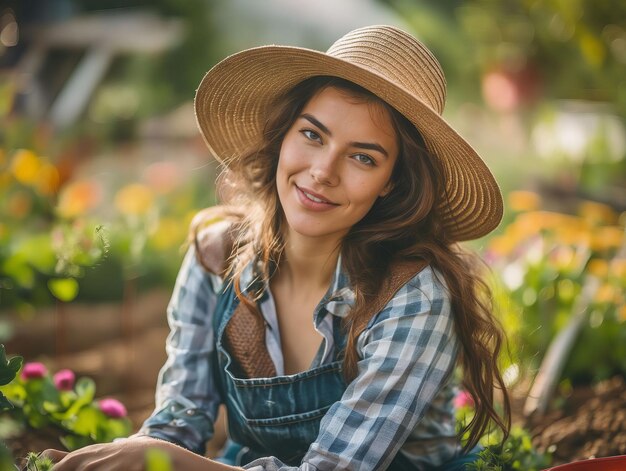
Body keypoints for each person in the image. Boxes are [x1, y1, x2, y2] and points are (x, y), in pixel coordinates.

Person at [43, 24, 511, 470]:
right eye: (312, 134)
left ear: (393, 182)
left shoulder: (411, 297)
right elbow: (179, 422)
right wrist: (134, 458)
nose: (323, 171)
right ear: (283, 135)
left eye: (363, 157)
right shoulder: (216, 259)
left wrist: (157, 461)